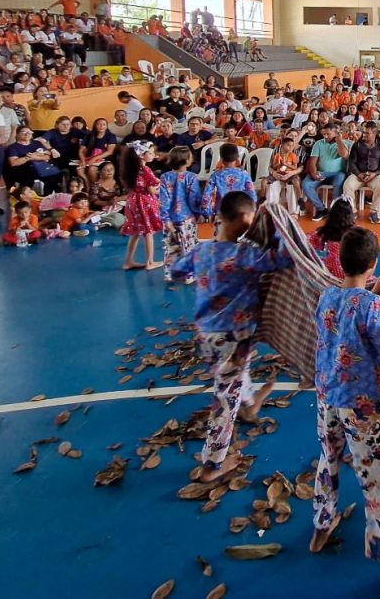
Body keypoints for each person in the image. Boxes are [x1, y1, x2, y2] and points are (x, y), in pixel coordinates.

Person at [309, 228, 380, 599]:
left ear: (341, 261)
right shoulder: (372, 306)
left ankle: (321, 527)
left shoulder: (327, 295)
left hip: (328, 397)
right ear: (374, 263)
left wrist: (371, 291)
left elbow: (346, 323)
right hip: (363, 408)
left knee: (328, 459)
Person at [171, 192, 294, 481]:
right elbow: (285, 258)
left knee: (235, 375)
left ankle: (249, 408)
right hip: (233, 337)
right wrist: (276, 227)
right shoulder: (244, 256)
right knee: (226, 396)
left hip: (206, 333)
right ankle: (212, 465)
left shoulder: (202, 251)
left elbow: (177, 271)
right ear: (243, 219)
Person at [158, 146, 202, 283]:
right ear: (187, 161)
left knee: (171, 247)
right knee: (188, 247)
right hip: (186, 218)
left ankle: (170, 274)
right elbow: (194, 199)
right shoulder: (191, 177)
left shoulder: (165, 177)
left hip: (170, 219)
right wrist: (199, 212)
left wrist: (165, 219)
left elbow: (163, 200)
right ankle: (189, 275)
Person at [119, 140, 163, 271]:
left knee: (136, 232)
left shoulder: (130, 169)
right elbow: (151, 189)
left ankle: (128, 261)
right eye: (151, 153)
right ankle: (150, 261)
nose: (153, 155)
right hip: (144, 202)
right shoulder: (145, 169)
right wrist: (162, 189)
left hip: (132, 201)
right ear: (142, 155)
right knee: (148, 231)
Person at [342, 122, 380, 223]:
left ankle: (374, 211)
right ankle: (353, 211)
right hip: (358, 175)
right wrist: (359, 174)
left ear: (374, 134)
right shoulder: (357, 145)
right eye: (363, 132)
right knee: (347, 185)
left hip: (375, 176)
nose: (364, 135)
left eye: (367, 133)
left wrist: (375, 173)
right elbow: (351, 163)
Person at [303, 123, 349, 220]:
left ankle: (335, 211)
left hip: (337, 173)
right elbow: (313, 161)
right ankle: (322, 209)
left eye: (328, 134)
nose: (325, 136)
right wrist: (314, 173)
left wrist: (338, 140)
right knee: (306, 184)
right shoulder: (318, 143)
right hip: (321, 173)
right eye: (324, 134)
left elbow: (344, 155)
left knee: (340, 180)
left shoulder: (345, 143)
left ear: (336, 133)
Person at [202, 143, 256, 216]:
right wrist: (250, 212)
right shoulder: (244, 174)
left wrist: (208, 213)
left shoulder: (216, 175)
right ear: (237, 157)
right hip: (240, 212)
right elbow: (252, 194)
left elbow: (207, 195)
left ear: (221, 158)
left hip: (222, 212)